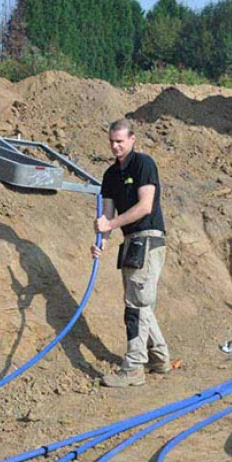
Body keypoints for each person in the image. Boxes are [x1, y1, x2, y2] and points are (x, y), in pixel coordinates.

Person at [91, 118, 171, 387]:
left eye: (120, 141)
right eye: (112, 141)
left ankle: (134, 368)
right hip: (130, 241)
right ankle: (159, 358)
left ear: (132, 140)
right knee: (140, 301)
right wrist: (101, 240)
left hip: (149, 238)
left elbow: (145, 206)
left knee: (135, 305)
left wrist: (111, 224)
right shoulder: (110, 175)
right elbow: (108, 215)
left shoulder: (143, 164)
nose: (115, 146)